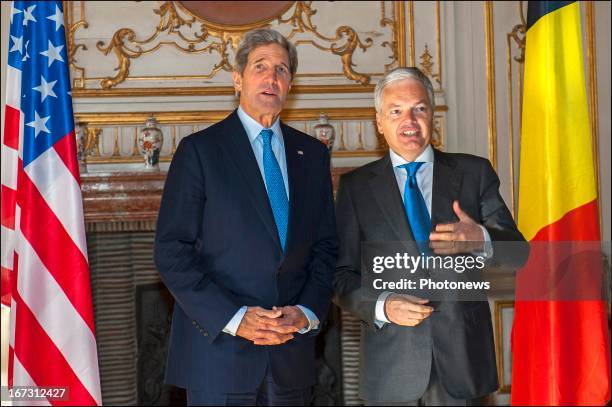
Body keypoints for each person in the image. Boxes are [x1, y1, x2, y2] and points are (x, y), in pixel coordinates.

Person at [154, 28, 338, 406]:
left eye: (282, 70)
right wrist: (235, 317)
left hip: (291, 359)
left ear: (291, 84)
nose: (272, 78)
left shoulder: (313, 156)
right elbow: (172, 251)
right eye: (261, 67)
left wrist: (304, 313)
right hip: (219, 358)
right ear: (238, 78)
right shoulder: (200, 151)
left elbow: (326, 249)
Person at [333, 67, 526, 405]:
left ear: (432, 116)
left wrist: (480, 239)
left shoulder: (473, 172)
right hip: (392, 365)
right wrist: (382, 306)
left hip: (462, 361)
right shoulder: (355, 188)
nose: (409, 119)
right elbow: (339, 275)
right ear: (379, 122)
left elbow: (519, 254)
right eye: (396, 111)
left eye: (419, 108)